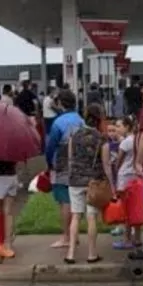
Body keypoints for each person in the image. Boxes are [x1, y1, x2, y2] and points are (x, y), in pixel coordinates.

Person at [65, 103, 113, 265]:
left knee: (76, 216)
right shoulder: (102, 138)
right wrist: (112, 185)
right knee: (91, 217)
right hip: (93, 182)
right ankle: (92, 254)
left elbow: (71, 159)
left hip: (75, 181)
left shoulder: (74, 135)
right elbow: (106, 164)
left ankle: (71, 253)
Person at [44, 90, 84, 249]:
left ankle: (66, 236)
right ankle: (75, 234)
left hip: (61, 165)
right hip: (79, 164)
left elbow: (50, 146)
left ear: (60, 103)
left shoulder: (59, 122)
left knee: (65, 202)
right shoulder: (80, 120)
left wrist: (49, 163)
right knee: (76, 201)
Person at [113, 116, 142, 253]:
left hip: (124, 176)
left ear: (127, 127)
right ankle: (137, 237)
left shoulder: (125, 142)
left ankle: (126, 239)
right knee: (136, 207)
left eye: (119, 126)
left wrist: (115, 170)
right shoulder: (138, 140)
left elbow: (119, 160)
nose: (117, 129)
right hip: (135, 176)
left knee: (125, 209)